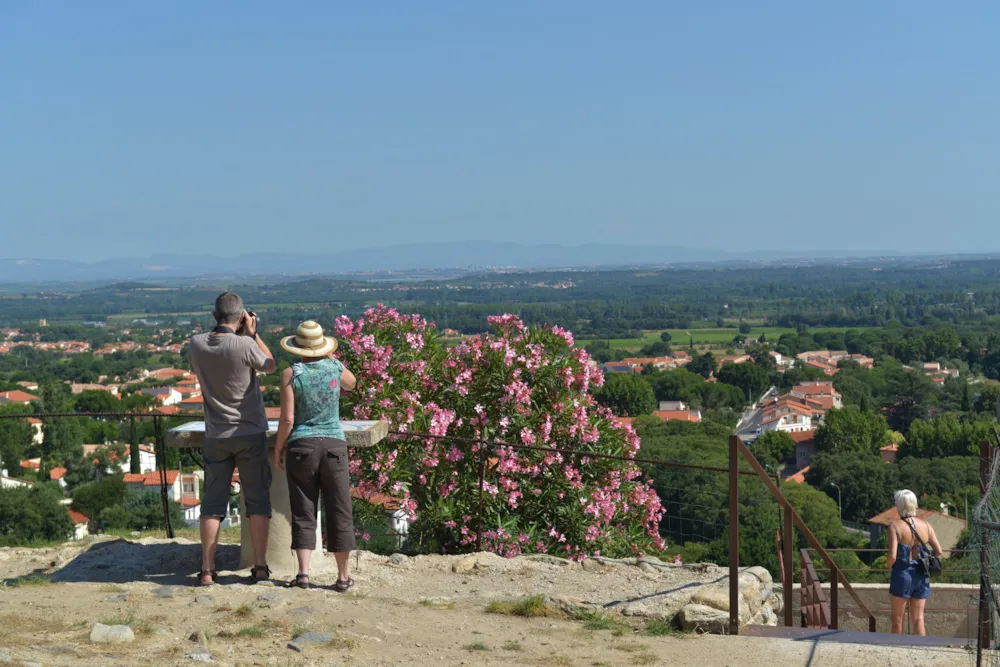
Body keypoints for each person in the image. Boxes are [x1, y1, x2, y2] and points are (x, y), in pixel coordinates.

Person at [188, 292, 277, 585]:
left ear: (214, 316)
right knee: (257, 503)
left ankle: (207, 569)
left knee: (212, 504)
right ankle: (261, 567)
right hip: (249, 431)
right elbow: (270, 365)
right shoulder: (246, 345)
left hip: (216, 433)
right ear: (241, 317)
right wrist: (253, 333)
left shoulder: (196, 344)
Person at [274, 320, 357, 591]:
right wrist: (331, 356)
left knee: (303, 509)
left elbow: (287, 419)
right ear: (322, 345)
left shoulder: (291, 373)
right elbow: (352, 384)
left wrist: (278, 449)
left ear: (297, 347)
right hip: (334, 445)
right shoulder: (334, 367)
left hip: (302, 447)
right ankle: (343, 577)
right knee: (339, 509)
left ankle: (304, 575)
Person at [887, 489, 944, 635]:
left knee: (897, 619)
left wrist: (888, 567)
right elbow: (939, 551)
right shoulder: (926, 525)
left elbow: (892, 557)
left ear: (898, 506)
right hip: (922, 575)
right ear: (914, 504)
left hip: (902, 574)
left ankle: (897, 649)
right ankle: (920, 650)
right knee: (918, 618)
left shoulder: (895, 526)